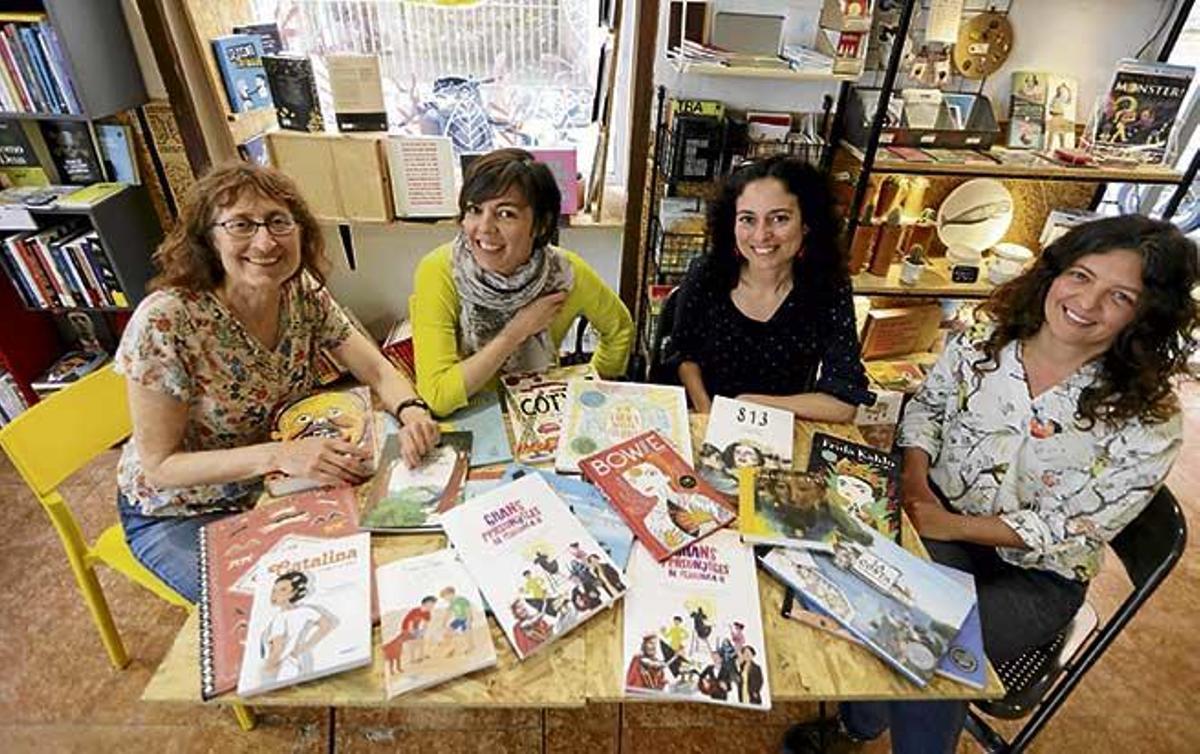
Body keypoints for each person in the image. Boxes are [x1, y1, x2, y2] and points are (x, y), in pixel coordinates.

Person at [784, 215, 1199, 753]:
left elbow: (1075, 527)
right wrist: (915, 483)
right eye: (1080, 275)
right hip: (937, 520)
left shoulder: (1150, 418)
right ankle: (858, 724)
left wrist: (946, 521)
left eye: (1119, 296)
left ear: (1147, 314)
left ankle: (863, 728)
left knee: (932, 646)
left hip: (1038, 577)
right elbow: (928, 408)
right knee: (869, 600)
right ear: (1054, 273)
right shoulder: (987, 332)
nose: (1087, 303)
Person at [115, 162, 440, 603]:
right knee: (282, 609)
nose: (265, 242)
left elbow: (378, 369)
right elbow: (159, 466)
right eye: (241, 225)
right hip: (180, 511)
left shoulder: (299, 290)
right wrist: (282, 455)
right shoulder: (165, 321)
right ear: (207, 238)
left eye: (278, 222)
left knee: (376, 572)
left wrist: (412, 409)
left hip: (275, 482)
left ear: (300, 231)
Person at [410, 147, 634, 417]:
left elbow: (619, 329)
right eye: (475, 210)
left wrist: (593, 393)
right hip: (467, 419)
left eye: (506, 214)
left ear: (540, 224)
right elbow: (437, 395)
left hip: (540, 415)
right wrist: (517, 331)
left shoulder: (564, 274)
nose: (484, 227)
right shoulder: (439, 271)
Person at [667, 155, 871, 420]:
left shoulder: (828, 288)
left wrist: (749, 404)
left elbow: (843, 402)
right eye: (747, 219)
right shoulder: (707, 273)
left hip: (781, 424)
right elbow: (684, 354)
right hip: (705, 413)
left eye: (779, 219)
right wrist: (709, 412)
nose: (761, 235)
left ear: (807, 223)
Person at [259, 571, 336, 683]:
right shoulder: (305, 611)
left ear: (293, 593)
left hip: (280, 665)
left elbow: (278, 648)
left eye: (283, 590)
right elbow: (326, 624)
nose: (275, 594)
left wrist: (268, 667)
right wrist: (303, 648)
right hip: (292, 662)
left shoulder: (280, 618)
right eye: (274, 590)